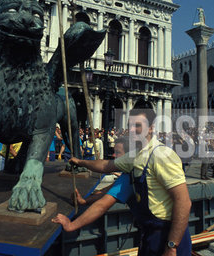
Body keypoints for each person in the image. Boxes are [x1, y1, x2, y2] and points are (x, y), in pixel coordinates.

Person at [62, 108, 192, 256]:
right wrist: (81, 162)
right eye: (130, 125)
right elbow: (106, 166)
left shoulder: (162, 156)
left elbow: (184, 202)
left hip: (167, 235)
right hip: (150, 234)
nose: (131, 129)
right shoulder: (135, 156)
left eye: (137, 125)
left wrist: (172, 245)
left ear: (151, 128)